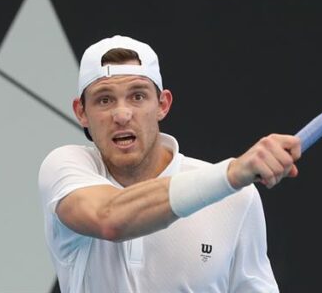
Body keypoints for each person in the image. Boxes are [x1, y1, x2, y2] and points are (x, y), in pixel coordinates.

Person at [38, 35, 302, 293]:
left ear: (162, 104)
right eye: (104, 100)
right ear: (81, 112)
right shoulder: (65, 167)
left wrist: (230, 182)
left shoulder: (238, 199)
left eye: (137, 96)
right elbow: (108, 217)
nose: (121, 114)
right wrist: (229, 175)